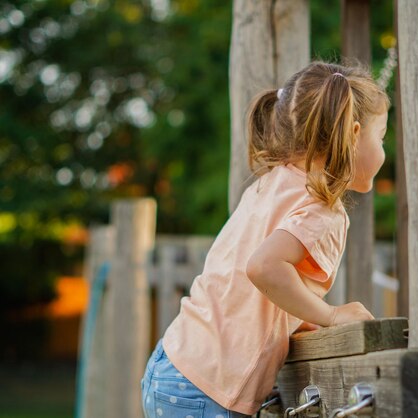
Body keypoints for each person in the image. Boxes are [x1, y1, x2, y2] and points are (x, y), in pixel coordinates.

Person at [140, 61, 390, 418]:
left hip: (174, 362)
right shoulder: (323, 211)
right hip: (208, 390)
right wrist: (331, 315)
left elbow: (248, 279)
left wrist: (298, 317)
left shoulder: (273, 183)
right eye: (380, 137)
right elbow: (263, 267)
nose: (383, 150)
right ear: (352, 134)